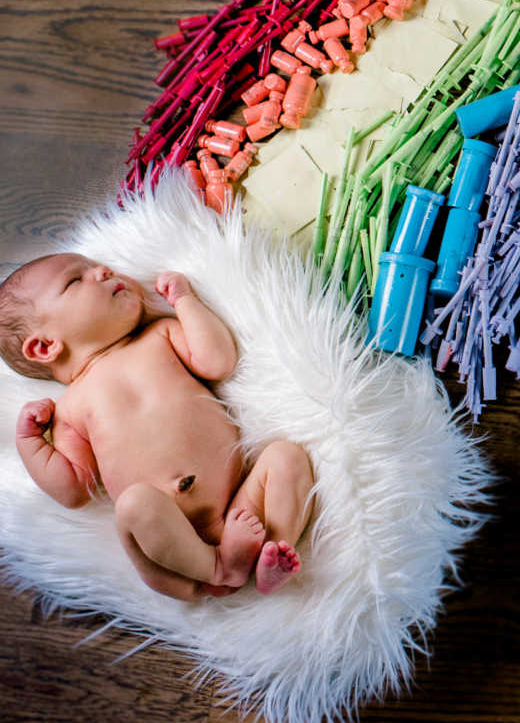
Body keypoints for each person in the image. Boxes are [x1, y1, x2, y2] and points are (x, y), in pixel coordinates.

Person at [1, 254, 314, 601]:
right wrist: (30, 442)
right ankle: (216, 567)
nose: (102, 270)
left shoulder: (160, 334)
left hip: (240, 508)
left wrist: (185, 302)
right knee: (134, 504)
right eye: (76, 280)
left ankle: (273, 553)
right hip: (171, 540)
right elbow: (73, 491)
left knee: (287, 457)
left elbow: (218, 360)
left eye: (97, 267)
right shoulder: (70, 409)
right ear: (45, 346)